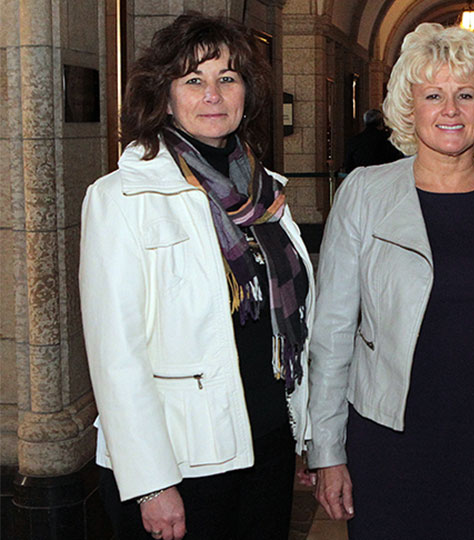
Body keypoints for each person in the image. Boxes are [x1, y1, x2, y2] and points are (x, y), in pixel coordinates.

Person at [303, 22, 474, 539]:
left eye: (465, 94)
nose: (450, 110)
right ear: (410, 107)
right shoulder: (365, 193)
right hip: (390, 441)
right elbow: (333, 330)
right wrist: (328, 450)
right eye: (433, 95)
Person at [79, 13, 314, 540]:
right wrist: (152, 483)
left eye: (227, 78)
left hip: (267, 441)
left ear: (246, 94)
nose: (213, 93)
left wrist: (305, 433)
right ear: (164, 97)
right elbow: (116, 356)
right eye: (193, 80)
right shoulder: (121, 198)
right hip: (183, 462)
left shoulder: (265, 192)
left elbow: (293, 322)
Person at [342, 108, 403, 173]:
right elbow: (397, 163)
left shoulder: (354, 141)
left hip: (362, 179)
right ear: (381, 122)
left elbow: (348, 167)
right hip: (383, 177)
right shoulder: (388, 140)